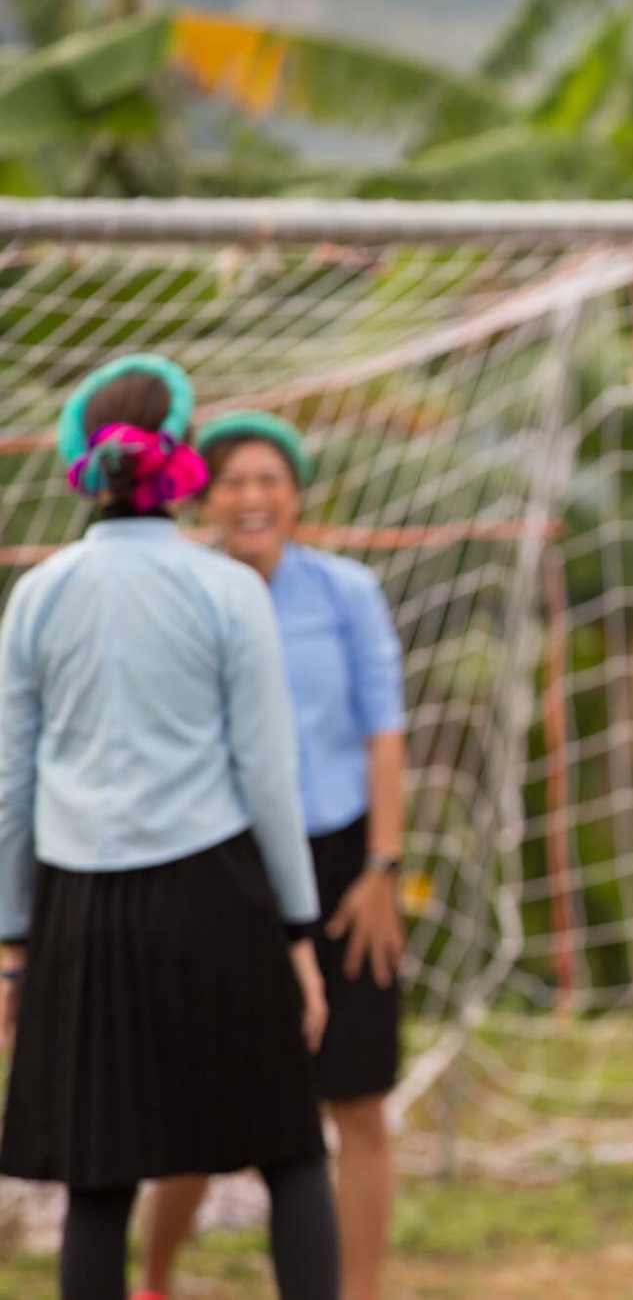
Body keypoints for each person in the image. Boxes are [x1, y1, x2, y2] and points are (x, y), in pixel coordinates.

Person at [0, 355, 340, 1300]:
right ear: (183, 458)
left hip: (79, 908)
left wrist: (13, 945)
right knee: (288, 1151)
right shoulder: (227, 589)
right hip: (215, 896)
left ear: (81, 462)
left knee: (97, 1178)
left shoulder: (37, 594)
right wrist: (298, 932)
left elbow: (9, 785)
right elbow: (269, 776)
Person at [141, 410, 409, 1300]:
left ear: (295, 497)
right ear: (204, 498)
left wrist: (381, 869)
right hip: (230, 870)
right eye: (234, 482)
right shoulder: (187, 596)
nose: (253, 497)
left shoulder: (345, 593)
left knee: (359, 1103)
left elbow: (383, 733)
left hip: (343, 870)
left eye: (270, 480)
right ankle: (153, 1277)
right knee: (211, 1105)